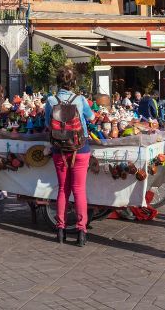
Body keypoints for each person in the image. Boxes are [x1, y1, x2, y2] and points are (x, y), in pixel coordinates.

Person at [44, 65, 95, 247]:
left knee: (62, 190)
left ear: (58, 82)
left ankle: (60, 230)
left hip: (59, 149)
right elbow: (91, 118)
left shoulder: (51, 100)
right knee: (79, 189)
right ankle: (81, 231)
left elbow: (48, 124)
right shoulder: (80, 99)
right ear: (74, 82)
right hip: (80, 149)